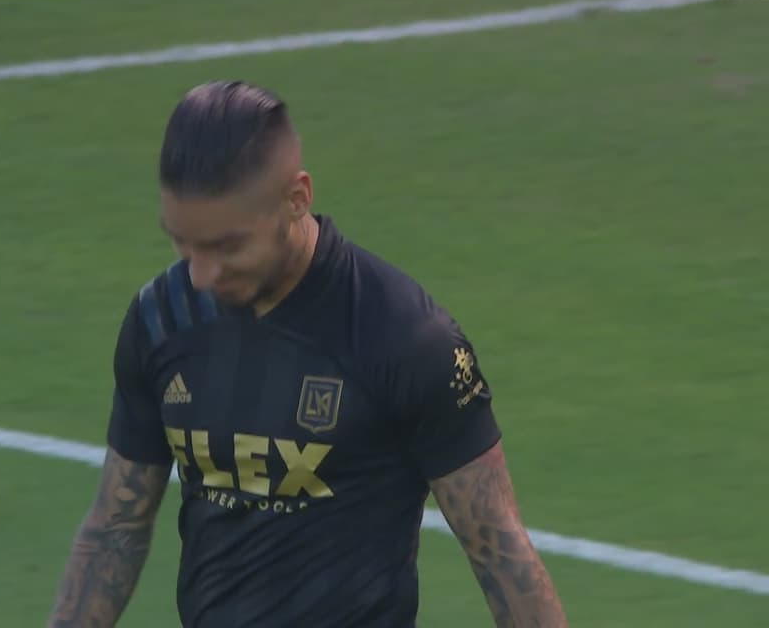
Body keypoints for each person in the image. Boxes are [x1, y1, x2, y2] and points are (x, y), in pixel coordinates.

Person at [46, 81, 567, 627]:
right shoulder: (161, 320)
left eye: (227, 245)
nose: (200, 275)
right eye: (182, 241)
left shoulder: (403, 338)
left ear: (297, 199)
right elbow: (116, 529)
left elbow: (499, 553)